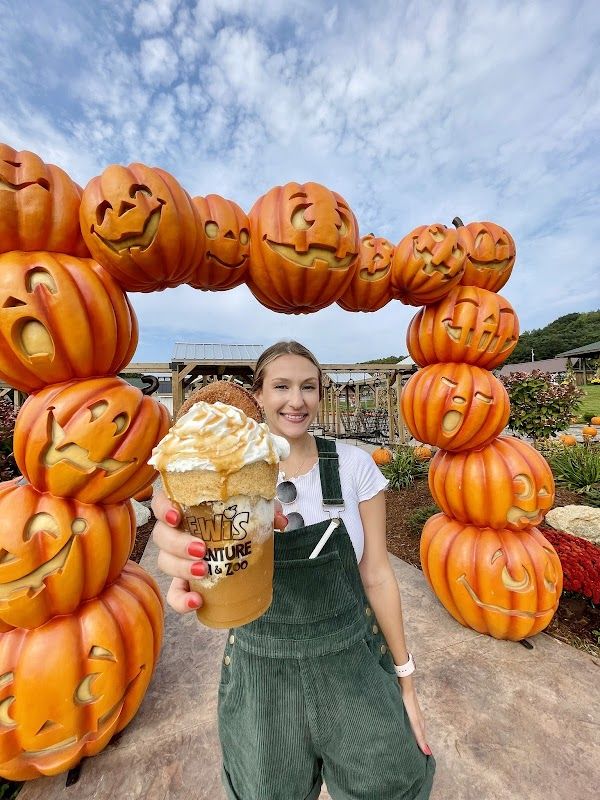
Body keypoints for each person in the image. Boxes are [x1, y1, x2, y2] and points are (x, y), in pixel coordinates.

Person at [152, 340, 436, 800]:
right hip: (260, 674)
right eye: (281, 386)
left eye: (309, 387)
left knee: (391, 782)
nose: (296, 400)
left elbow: (378, 575)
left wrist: (406, 681)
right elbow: (177, 506)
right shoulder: (223, 476)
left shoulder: (354, 466)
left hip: (354, 663)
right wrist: (177, 525)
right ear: (258, 395)